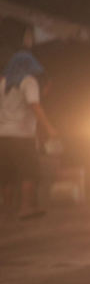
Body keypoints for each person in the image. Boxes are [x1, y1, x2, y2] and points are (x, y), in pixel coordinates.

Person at [0, 19, 58, 219]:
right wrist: (49, 127)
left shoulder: (2, 83)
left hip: (2, 136)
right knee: (30, 172)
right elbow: (34, 105)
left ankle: (6, 210)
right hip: (22, 135)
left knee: (7, 174)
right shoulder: (28, 81)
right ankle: (26, 207)